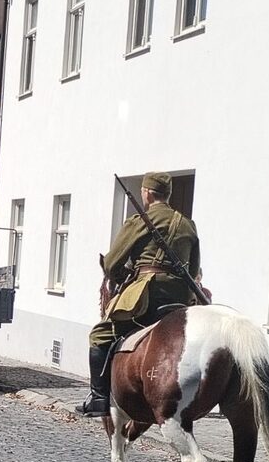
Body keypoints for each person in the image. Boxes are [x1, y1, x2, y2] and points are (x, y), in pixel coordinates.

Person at [78, 172, 201, 417]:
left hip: (147, 295)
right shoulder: (188, 224)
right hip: (180, 297)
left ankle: (99, 397)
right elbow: (195, 267)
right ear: (167, 194)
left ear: (147, 193)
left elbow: (112, 264)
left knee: (100, 335)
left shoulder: (140, 221)